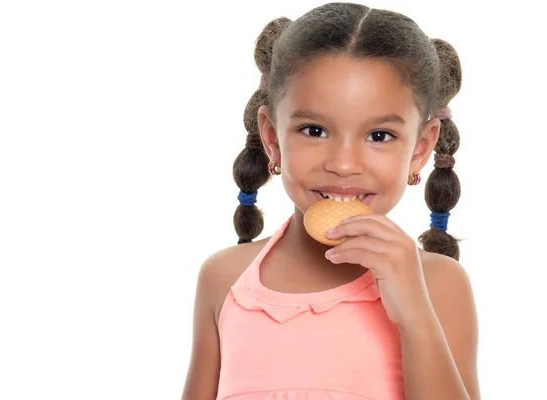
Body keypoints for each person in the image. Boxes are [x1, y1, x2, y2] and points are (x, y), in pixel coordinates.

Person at [181, 3, 479, 399]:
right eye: (314, 129)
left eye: (379, 136)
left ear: (421, 149)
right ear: (272, 139)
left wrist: (414, 315)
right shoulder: (224, 279)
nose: (342, 164)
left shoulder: (439, 285)